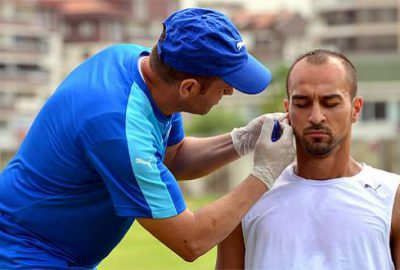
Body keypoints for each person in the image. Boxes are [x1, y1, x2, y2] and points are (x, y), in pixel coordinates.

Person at [0, 8, 295, 269]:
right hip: (25, 254)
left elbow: (174, 158)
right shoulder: (119, 131)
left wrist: (242, 139)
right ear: (188, 88)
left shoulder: (141, 67)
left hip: (50, 248)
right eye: (226, 84)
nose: (230, 92)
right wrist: (263, 174)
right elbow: (190, 240)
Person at [216, 49, 400, 270]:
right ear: (287, 110)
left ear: (356, 109)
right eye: (302, 103)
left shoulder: (392, 197)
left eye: (330, 103)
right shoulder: (246, 201)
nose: (316, 117)